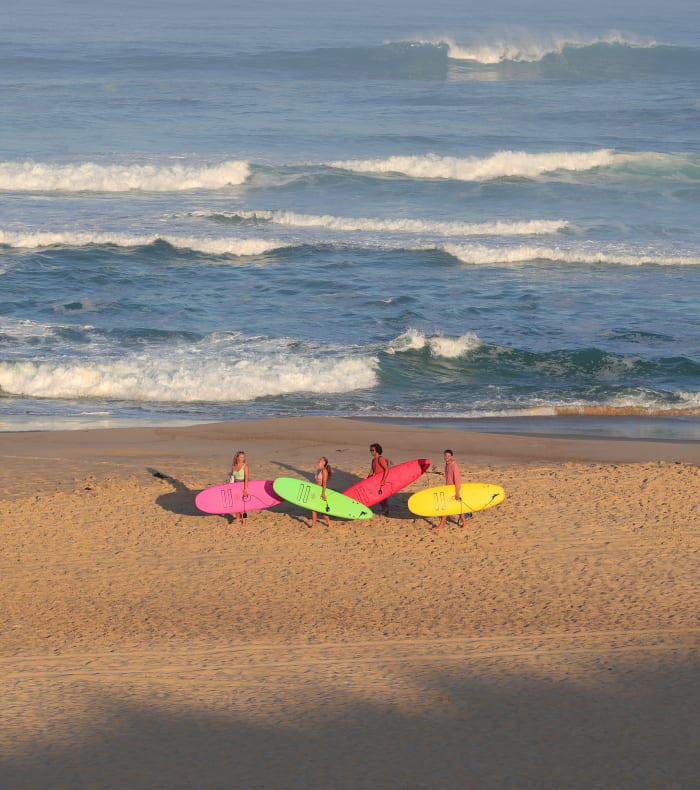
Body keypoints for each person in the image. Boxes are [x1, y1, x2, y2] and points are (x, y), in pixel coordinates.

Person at [436, 449, 472, 530]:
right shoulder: (447, 465)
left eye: (448, 456)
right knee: (458, 508)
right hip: (448, 489)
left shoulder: (453, 465)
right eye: (445, 456)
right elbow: (449, 477)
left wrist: (457, 492)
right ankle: (465, 523)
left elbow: (457, 480)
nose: (446, 457)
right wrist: (443, 474)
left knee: (446, 508)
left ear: (451, 456)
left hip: (453, 490)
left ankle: (441, 525)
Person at [228, 450, 249, 524]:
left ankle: (244, 518)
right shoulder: (234, 466)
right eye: (240, 457)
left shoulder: (245, 466)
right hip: (234, 485)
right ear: (237, 457)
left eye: (243, 457)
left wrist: (246, 489)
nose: (242, 458)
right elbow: (232, 477)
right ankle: (237, 518)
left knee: (242, 504)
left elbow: (246, 478)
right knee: (235, 503)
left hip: (242, 484)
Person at [369, 442, 390, 516]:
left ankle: (385, 509)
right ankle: (385, 509)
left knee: (380, 496)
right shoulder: (373, 460)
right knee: (380, 496)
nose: (371, 452)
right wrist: (368, 478)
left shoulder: (381, 459)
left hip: (382, 480)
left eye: (372, 450)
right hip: (376, 480)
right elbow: (372, 470)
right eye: (370, 450)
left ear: (377, 450)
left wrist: (384, 480)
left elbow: (386, 469)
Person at [311, 456, 332, 528]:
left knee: (314, 508)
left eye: (320, 460)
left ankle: (314, 525)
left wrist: (323, 493)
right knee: (318, 508)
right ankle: (329, 523)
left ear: (324, 462)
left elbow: (325, 483)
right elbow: (317, 481)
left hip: (320, 490)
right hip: (316, 490)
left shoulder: (324, 471)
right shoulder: (318, 470)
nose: (318, 460)